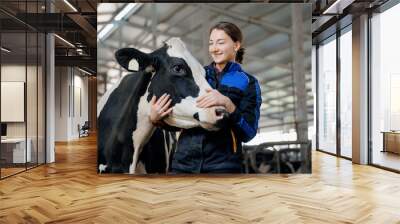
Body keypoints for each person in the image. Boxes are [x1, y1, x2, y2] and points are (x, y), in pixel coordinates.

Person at [150, 21, 262, 173]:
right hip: (183, 164)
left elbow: (249, 132)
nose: (214, 49)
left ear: (236, 46)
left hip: (223, 167)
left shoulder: (248, 82)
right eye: (211, 43)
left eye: (220, 42)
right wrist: (157, 119)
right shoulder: (194, 74)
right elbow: (179, 121)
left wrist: (228, 103)